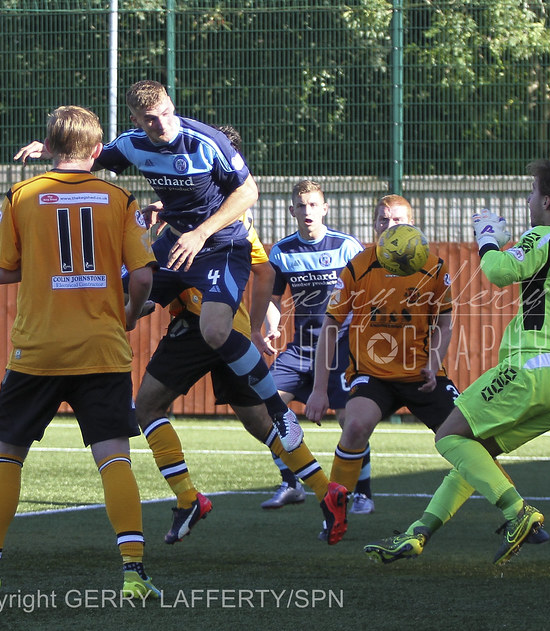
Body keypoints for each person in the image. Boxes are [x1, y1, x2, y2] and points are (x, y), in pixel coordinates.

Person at [0, 105, 160, 597]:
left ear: (49, 145)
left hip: (38, 351)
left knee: (7, 458)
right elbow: (143, 276)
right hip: (102, 347)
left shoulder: (22, 194)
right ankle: (133, 573)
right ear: (97, 151)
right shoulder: (119, 198)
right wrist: (127, 313)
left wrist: (44, 268)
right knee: (115, 460)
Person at [13, 80, 301, 456]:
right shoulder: (132, 144)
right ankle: (87, 387)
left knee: (215, 331)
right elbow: (87, 155)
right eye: (151, 119)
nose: (162, 124)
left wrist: (200, 233)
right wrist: (50, 146)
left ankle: (279, 411)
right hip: (175, 243)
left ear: (172, 105)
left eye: (166, 113)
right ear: (136, 119)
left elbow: (248, 192)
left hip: (220, 246)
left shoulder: (207, 141)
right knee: (109, 297)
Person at [363, 156, 550, 566]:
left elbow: (497, 272)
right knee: (474, 455)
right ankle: (418, 533)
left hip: (534, 367)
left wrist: (488, 240)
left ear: (547, 200)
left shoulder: (543, 237)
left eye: (533, 193)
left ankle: (518, 513)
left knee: (448, 436)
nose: (529, 199)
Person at [135, 126, 331, 544]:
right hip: (230, 331)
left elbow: (263, 271)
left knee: (147, 408)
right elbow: (261, 270)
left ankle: (189, 498)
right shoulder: (231, 216)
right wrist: (255, 326)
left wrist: (140, 301)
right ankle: (326, 491)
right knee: (261, 424)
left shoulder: (222, 219)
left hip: (200, 328)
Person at [304, 195, 458, 544]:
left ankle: (516, 513)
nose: (390, 227)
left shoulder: (434, 266)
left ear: (413, 225)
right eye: (383, 220)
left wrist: (433, 367)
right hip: (372, 375)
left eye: (398, 221)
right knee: (355, 425)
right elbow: (330, 325)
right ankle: (335, 512)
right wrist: (318, 388)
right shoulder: (359, 265)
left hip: (423, 376)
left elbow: (445, 324)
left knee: (465, 439)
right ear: (374, 226)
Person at [259, 180, 366, 511]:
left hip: (341, 347)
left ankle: (361, 492)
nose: (307, 211)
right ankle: (291, 482)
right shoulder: (282, 251)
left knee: (352, 420)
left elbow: (365, 296)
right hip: (301, 348)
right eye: (301, 206)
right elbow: (273, 298)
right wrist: (272, 323)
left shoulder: (347, 247)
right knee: (265, 408)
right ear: (292, 210)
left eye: (313, 205)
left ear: (325, 208)